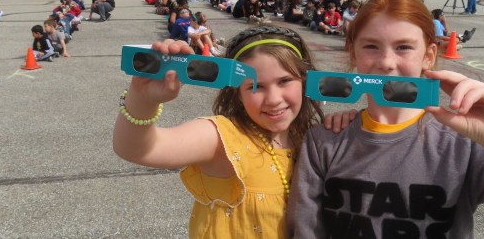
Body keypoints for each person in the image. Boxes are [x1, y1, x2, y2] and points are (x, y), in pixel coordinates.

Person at [287, 0, 484, 238]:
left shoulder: (466, 145)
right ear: (353, 52)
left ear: (428, 56)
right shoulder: (323, 141)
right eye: (371, 46)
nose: (386, 62)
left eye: (403, 47)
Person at [113, 26, 326, 237]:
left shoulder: (311, 141)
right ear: (238, 94)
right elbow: (136, 149)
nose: (273, 99)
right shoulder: (223, 138)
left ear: (304, 81)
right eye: (256, 86)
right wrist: (143, 98)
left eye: (285, 81)